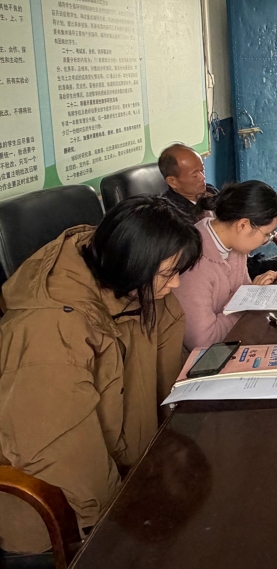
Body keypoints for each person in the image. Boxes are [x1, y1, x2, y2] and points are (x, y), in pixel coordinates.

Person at [0, 196, 201, 555]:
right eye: (168, 274)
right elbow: (61, 456)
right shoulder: (49, 329)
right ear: (131, 262)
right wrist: (117, 526)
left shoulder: (139, 286)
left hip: (134, 477)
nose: (175, 285)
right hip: (62, 521)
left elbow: (168, 378)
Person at [172, 181, 277, 351]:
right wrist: (248, 302)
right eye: (267, 234)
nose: (266, 241)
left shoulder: (234, 245)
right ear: (243, 225)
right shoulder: (194, 263)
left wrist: (253, 294)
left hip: (236, 340)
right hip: (205, 359)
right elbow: (204, 342)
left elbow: (243, 292)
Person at [158, 143, 217, 219]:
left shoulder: (210, 191)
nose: (202, 177)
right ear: (172, 182)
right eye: (194, 175)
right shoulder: (169, 213)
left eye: (202, 170)